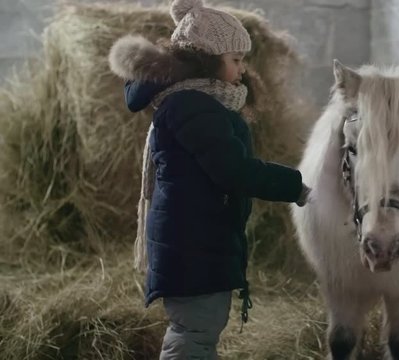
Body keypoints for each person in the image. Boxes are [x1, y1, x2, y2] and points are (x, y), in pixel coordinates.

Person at [108, 0, 311, 358]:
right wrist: (296, 186)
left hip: (194, 242)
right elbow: (234, 169)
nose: (242, 68)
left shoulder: (193, 102)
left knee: (198, 332)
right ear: (207, 58)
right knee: (195, 333)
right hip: (193, 246)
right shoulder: (194, 105)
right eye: (235, 59)